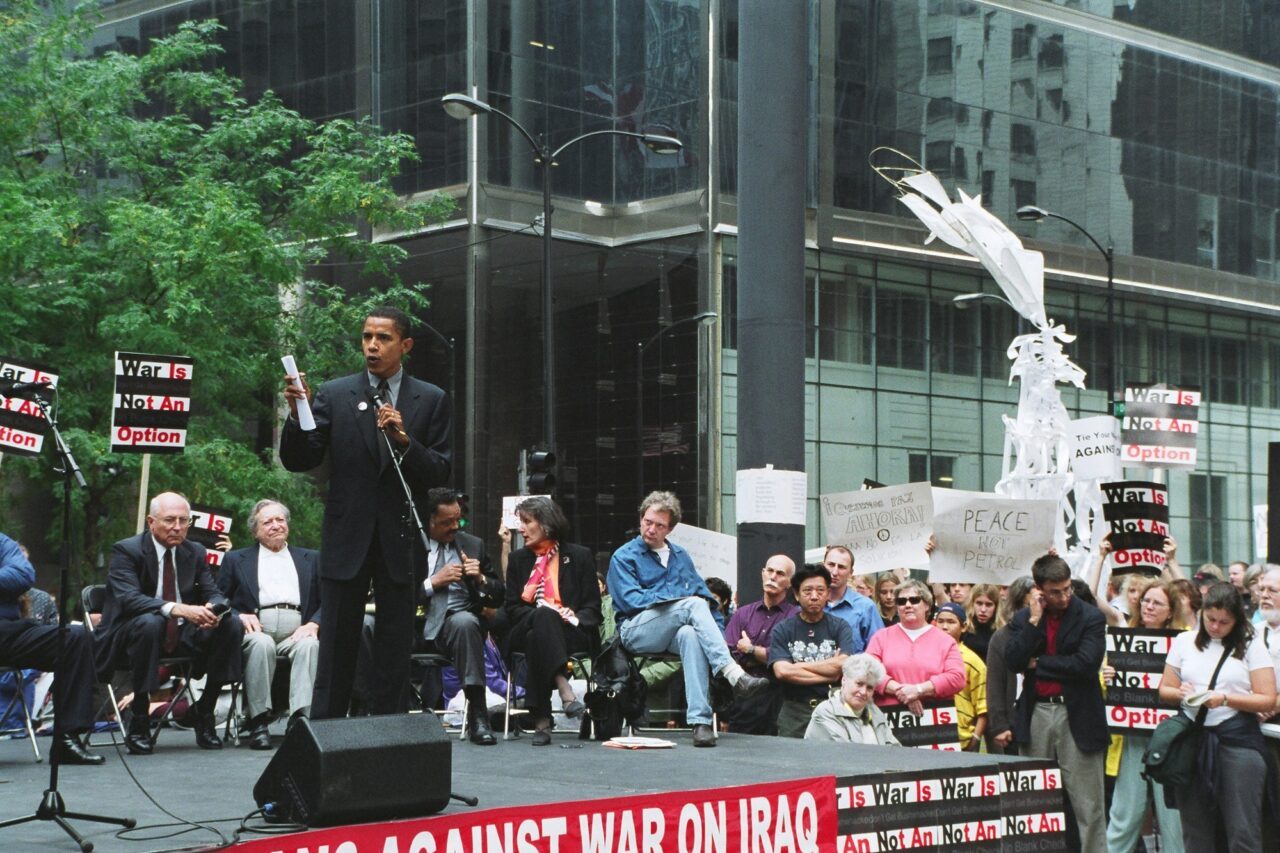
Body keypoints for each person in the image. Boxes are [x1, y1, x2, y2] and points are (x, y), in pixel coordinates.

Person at [280, 305, 451, 718]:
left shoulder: (430, 399)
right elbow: (300, 459)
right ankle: (325, 735)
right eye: (367, 337)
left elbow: (441, 471)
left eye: (383, 338)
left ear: (405, 345)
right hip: (346, 539)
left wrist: (406, 442)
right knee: (337, 644)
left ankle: (389, 740)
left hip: (400, 539)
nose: (372, 346)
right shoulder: (336, 394)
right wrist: (296, 414)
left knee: (394, 648)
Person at [608, 491, 768, 748]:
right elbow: (632, 601)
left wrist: (714, 638)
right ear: (640, 519)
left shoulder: (680, 555)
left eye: (659, 525)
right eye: (648, 521)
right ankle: (732, 674)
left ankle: (700, 722)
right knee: (691, 604)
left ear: (670, 529)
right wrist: (679, 596)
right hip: (634, 629)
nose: (651, 529)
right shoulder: (623, 556)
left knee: (692, 634)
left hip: (673, 631)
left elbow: (708, 602)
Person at [95, 492, 244, 754]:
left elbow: (214, 591)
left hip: (182, 637)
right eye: (169, 520)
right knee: (150, 623)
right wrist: (179, 609)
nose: (177, 527)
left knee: (231, 623)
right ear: (151, 522)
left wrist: (213, 610)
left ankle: (204, 709)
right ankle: (139, 713)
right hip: (133, 637)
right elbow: (130, 600)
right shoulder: (126, 550)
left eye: (183, 521)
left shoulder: (194, 551)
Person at [1158, 582, 1277, 853]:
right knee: (1195, 831)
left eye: (1224, 622)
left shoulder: (1250, 644)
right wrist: (1180, 693)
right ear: (1202, 613)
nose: (1215, 627)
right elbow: (1164, 689)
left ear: (1236, 621)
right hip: (1193, 740)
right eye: (1210, 619)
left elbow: (1267, 698)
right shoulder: (1184, 641)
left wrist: (1224, 698)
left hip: (1237, 739)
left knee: (1243, 832)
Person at [1004, 554, 1108, 852]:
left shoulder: (1090, 616)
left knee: (1089, 806)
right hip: (1036, 712)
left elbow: (1086, 664)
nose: (1063, 596)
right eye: (1055, 591)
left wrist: (1038, 663)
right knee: (1033, 801)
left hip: (1077, 715)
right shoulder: (1026, 619)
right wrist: (1035, 621)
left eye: (1067, 589)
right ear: (1039, 589)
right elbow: (1013, 661)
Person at [217, 499, 321, 750]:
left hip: (296, 630)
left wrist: (315, 623)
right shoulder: (236, 559)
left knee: (310, 646)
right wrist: (239, 616)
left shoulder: (312, 558)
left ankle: (300, 720)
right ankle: (258, 721)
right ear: (255, 530)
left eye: (280, 520)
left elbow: (329, 600)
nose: (276, 525)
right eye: (268, 522)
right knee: (261, 644)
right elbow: (219, 599)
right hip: (256, 630)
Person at [0, 532, 103, 765]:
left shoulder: (1, 542)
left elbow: (23, 574)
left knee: (74, 638)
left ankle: (67, 739)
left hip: (8, 630)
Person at [505, 497, 600, 746]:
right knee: (544, 616)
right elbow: (513, 608)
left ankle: (541, 720)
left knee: (536, 637)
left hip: (569, 633)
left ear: (546, 524)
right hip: (525, 625)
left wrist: (574, 616)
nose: (521, 529)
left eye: (526, 522)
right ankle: (564, 689)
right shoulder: (517, 559)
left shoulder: (579, 556)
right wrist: (546, 613)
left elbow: (593, 608)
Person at [1104, 578, 1189, 853]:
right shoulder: (1123, 637)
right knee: (1125, 812)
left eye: (1157, 603)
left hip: (1172, 738)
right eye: (1146, 601)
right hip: (1133, 736)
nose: (1149, 607)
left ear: (1170, 610)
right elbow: (1104, 684)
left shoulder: (1185, 640)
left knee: (1173, 815)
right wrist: (1106, 676)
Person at [421, 488, 504, 744]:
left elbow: (499, 596)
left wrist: (480, 579)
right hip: (415, 624)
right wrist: (432, 582)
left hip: (457, 624)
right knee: (367, 625)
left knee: (465, 622)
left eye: (459, 520)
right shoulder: (410, 545)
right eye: (447, 522)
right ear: (429, 521)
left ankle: (478, 715)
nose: (455, 526)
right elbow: (390, 590)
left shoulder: (472, 545)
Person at [768, 564, 855, 738]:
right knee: (791, 762)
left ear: (828, 594)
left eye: (820, 590)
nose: (814, 596)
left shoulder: (840, 627)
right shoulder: (782, 629)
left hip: (832, 708)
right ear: (797, 595)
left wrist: (798, 666)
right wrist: (830, 674)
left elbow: (842, 665)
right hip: (794, 712)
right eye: (807, 591)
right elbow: (783, 671)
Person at [866, 579, 965, 719]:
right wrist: (901, 691)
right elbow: (868, 671)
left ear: (926, 605)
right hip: (888, 719)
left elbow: (957, 678)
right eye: (901, 601)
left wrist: (919, 690)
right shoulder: (881, 637)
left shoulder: (945, 641)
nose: (907, 605)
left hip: (935, 721)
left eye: (914, 600)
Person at [722, 554, 797, 734]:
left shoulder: (795, 617)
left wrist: (750, 650)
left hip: (778, 698)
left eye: (780, 573)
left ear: (789, 582)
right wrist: (766, 656)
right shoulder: (742, 614)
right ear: (763, 573)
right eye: (770, 571)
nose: (773, 577)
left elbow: (789, 658)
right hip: (742, 700)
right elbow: (728, 653)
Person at [986, 576, 1036, 755]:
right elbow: (995, 684)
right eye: (1029, 605)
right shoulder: (1002, 638)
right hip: (1013, 720)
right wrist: (999, 725)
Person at [804, 654, 900, 746]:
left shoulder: (875, 712)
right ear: (844, 680)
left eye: (869, 688)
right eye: (859, 683)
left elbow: (893, 751)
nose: (863, 692)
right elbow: (846, 756)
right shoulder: (826, 712)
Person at [932, 602, 987, 752]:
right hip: (930, 734)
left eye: (951, 622)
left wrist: (975, 738)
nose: (944, 627)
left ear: (963, 627)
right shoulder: (926, 655)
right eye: (941, 621)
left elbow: (983, 706)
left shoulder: (973, 660)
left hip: (961, 739)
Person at [820, 546, 884, 653]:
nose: (835, 572)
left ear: (851, 572)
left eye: (841, 567)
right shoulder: (809, 604)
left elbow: (878, 650)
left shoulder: (865, 607)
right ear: (823, 566)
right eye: (831, 565)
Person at [961, 583, 999, 662]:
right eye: (979, 603)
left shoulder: (1002, 630)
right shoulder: (963, 627)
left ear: (996, 606)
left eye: (989, 605)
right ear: (972, 603)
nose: (983, 610)